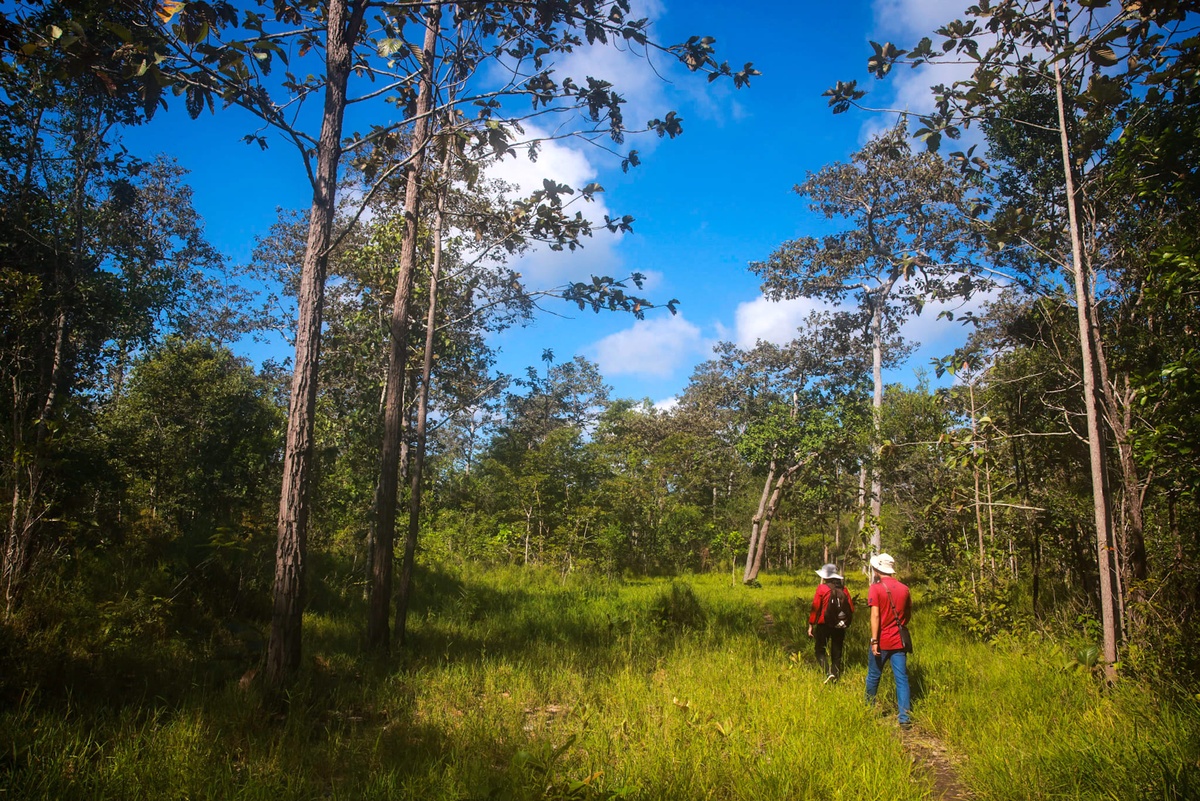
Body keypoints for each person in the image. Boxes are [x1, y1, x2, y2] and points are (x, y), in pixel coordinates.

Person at [866, 552, 912, 726]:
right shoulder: (904, 589)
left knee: (873, 675)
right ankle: (905, 718)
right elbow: (907, 614)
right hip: (899, 641)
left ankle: (868, 709)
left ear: (877, 569)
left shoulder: (876, 588)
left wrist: (874, 640)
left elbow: (875, 616)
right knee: (901, 678)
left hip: (882, 640)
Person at [807, 563, 854, 682]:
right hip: (840, 624)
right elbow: (851, 608)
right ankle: (835, 674)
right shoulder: (843, 589)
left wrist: (811, 624)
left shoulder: (822, 588)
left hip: (824, 624)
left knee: (820, 649)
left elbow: (816, 607)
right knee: (837, 651)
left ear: (825, 576)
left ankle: (827, 672)